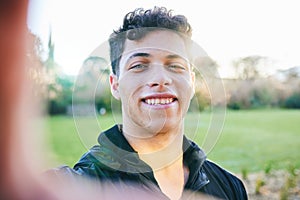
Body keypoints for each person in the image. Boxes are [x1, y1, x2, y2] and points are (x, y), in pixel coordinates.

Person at [58, 6, 247, 199]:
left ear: (191, 82)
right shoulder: (83, 186)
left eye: (175, 65)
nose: (160, 79)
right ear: (115, 85)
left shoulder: (231, 188)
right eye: (139, 65)